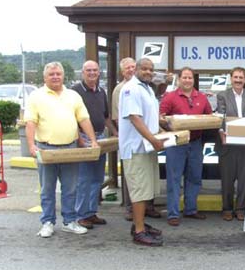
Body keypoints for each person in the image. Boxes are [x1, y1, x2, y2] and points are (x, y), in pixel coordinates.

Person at [25, 61, 99, 238]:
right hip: (46, 148)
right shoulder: (36, 96)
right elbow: (30, 123)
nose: (56, 77)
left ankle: (69, 221)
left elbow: (84, 119)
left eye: (58, 74)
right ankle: (47, 222)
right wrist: (31, 145)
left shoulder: (73, 95)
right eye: (52, 74)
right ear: (45, 77)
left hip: (70, 148)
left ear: (63, 75)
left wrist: (93, 141)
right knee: (47, 189)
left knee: (71, 188)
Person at [119, 58, 165, 246]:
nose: (148, 72)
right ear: (136, 69)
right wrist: (153, 139)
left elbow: (149, 118)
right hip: (136, 148)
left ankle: (141, 224)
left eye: (151, 69)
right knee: (139, 190)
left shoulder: (147, 88)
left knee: (147, 189)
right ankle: (138, 231)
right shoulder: (131, 88)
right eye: (144, 68)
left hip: (147, 148)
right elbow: (135, 118)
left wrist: (160, 133)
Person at [159, 67, 212, 226]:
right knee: (174, 179)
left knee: (194, 177)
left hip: (195, 143)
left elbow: (209, 116)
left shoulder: (201, 97)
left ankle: (191, 209)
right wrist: (170, 124)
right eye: (185, 78)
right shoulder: (170, 97)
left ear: (193, 80)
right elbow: (160, 117)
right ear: (179, 79)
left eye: (190, 78)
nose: (187, 80)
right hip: (176, 143)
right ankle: (173, 213)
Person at [71, 60, 117, 229]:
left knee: (97, 177)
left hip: (99, 137)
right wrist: (80, 140)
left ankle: (91, 212)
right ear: (83, 73)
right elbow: (72, 118)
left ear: (99, 73)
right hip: (83, 137)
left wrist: (115, 132)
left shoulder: (101, 92)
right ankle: (81, 214)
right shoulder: (75, 92)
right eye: (88, 70)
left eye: (95, 70)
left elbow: (105, 117)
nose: (92, 73)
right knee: (84, 178)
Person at [216, 66, 245, 221]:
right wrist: (222, 132)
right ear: (231, 78)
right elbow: (221, 115)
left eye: (241, 78)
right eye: (236, 77)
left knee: (244, 177)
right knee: (227, 178)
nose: (238, 80)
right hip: (228, 142)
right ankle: (227, 208)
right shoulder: (222, 95)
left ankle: (241, 208)